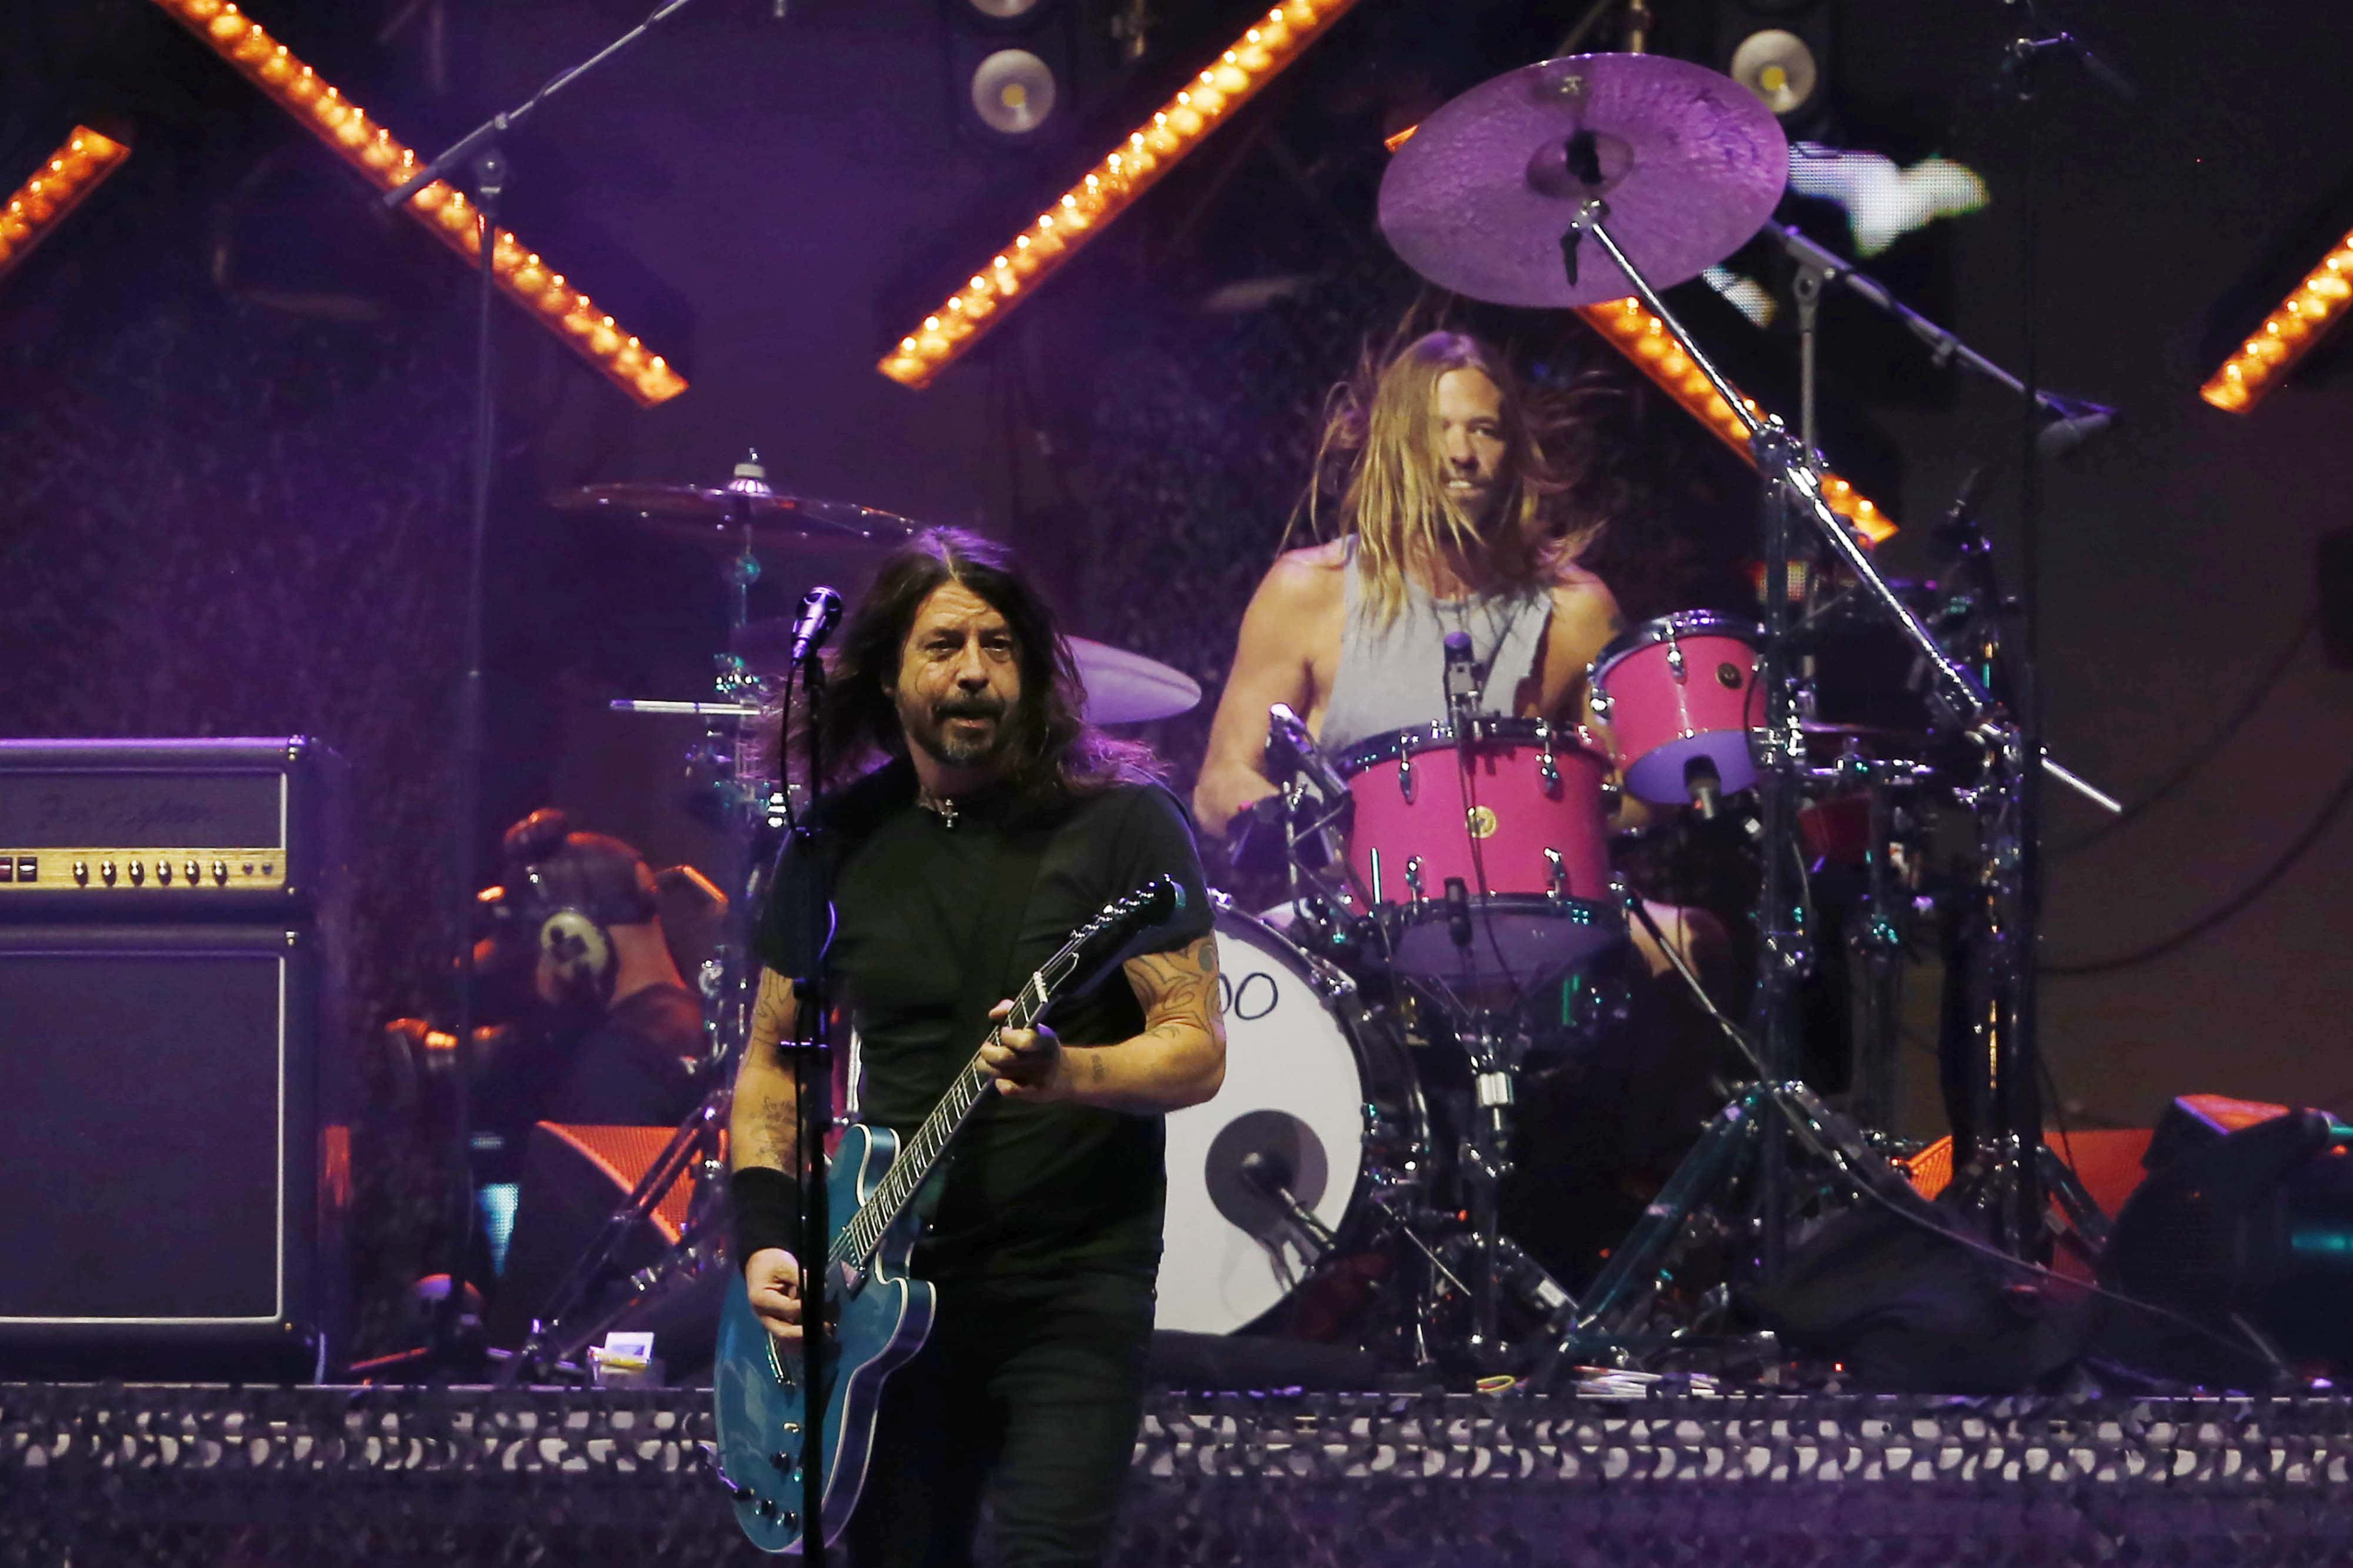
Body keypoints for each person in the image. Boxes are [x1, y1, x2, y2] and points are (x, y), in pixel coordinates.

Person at [727, 528, 1224, 1567]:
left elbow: (1194, 1046)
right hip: (881, 1292)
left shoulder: (1122, 825)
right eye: (944, 645)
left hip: (1072, 1283)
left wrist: (1071, 1070)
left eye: (998, 646)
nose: (972, 672)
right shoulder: (833, 844)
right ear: (888, 673)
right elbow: (774, 1059)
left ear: (1033, 670)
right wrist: (769, 1237)